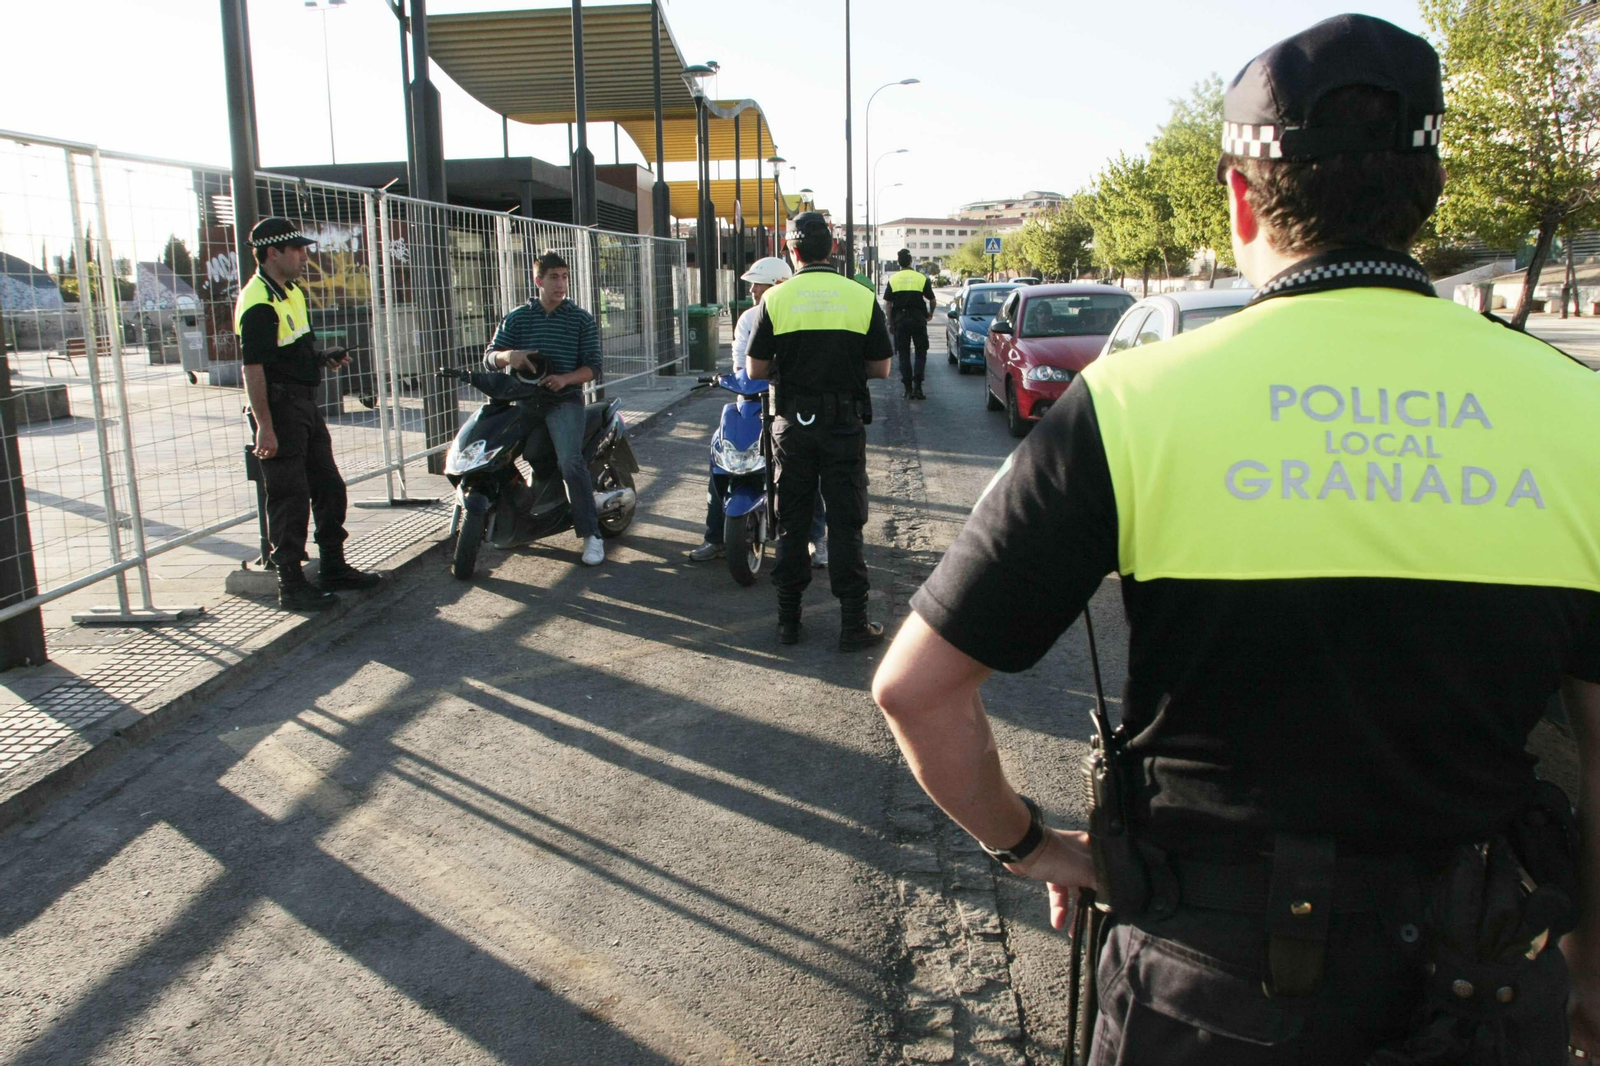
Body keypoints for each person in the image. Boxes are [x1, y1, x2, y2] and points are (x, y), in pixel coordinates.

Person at [872, 15, 1600, 1065]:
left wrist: (1033, 845)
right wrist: (1587, 967)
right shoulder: (1575, 415)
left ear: (1242, 194)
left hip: (1208, 991)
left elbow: (916, 689)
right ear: (1429, 192)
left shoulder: (1131, 405)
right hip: (1483, 979)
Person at [746, 212, 894, 650]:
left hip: (791, 427)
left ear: (792, 252)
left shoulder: (775, 298)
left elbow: (755, 369)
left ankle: (788, 623)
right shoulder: (859, 296)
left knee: (792, 520)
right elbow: (881, 369)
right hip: (843, 426)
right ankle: (853, 625)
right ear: (832, 248)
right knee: (846, 522)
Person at [237, 216, 381, 611]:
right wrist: (265, 426)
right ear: (272, 253)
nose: (304, 256)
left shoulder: (290, 291)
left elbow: (291, 350)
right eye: (297, 250)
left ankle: (333, 565)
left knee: (329, 486)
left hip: (303, 403)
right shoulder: (258, 302)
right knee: (289, 495)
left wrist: (321, 359)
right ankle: (292, 582)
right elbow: (254, 370)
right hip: (279, 408)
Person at [689, 257, 829, 567]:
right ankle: (714, 536)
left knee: (807, 466)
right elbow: (742, 365)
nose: (752, 289)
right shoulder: (748, 319)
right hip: (751, 400)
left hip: (792, 403)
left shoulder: (801, 313)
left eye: (758, 283)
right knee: (720, 458)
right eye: (752, 283)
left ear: (778, 284)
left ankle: (817, 538)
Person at [483, 251, 606, 566]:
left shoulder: (580, 319)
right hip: (523, 400)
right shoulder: (517, 318)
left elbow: (593, 367)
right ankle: (513, 522)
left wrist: (565, 379)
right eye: (554, 277)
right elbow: (489, 357)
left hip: (563, 401)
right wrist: (509, 356)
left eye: (565, 276)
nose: (561, 283)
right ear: (538, 280)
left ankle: (591, 535)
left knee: (570, 462)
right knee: (494, 455)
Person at [882, 249, 935, 400]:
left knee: (903, 354)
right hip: (918, 319)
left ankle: (907, 389)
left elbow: (888, 304)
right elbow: (932, 299)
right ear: (910, 261)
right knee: (920, 352)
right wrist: (930, 313)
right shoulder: (921, 278)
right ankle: (918, 387)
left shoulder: (894, 279)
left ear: (899, 262)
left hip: (901, 320)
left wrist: (890, 321)